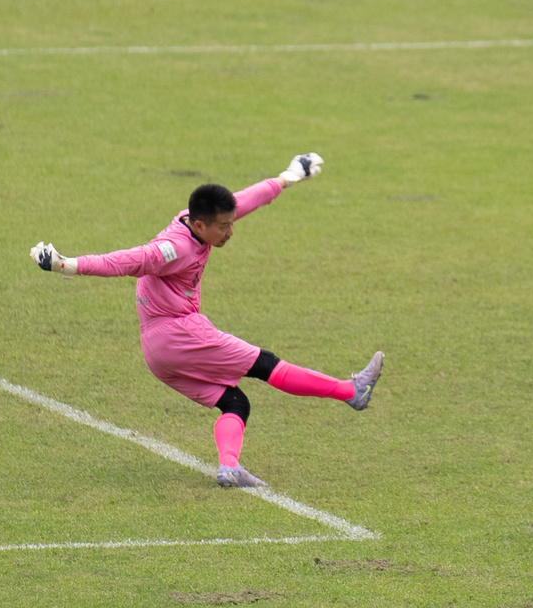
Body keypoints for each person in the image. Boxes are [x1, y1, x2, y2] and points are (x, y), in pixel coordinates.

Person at [28, 153, 382, 489]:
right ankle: (351, 392)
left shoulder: (196, 221)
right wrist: (67, 265)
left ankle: (229, 467)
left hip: (157, 353)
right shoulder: (174, 248)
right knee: (265, 364)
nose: (231, 232)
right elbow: (126, 261)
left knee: (235, 403)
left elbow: (246, 200)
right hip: (180, 334)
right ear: (200, 225)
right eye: (224, 227)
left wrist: (289, 177)